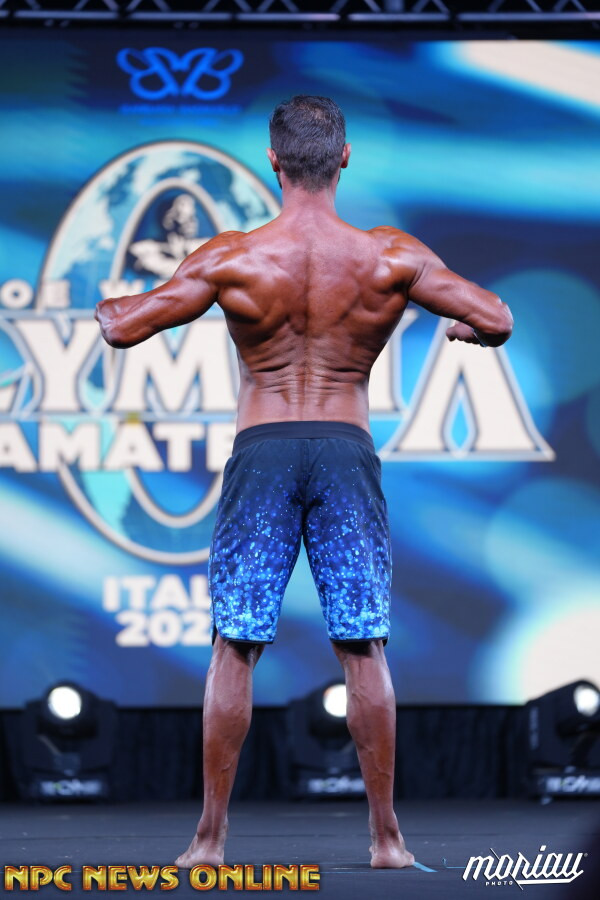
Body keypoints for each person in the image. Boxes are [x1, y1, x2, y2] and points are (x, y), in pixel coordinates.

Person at [95, 95, 513, 869]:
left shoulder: (234, 256)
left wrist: (100, 299)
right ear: (344, 157)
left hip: (263, 453)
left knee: (235, 646)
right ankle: (387, 840)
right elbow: (495, 315)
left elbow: (124, 326)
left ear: (273, 161)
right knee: (364, 647)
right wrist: (463, 329)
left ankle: (209, 840)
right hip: (345, 452)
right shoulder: (389, 255)